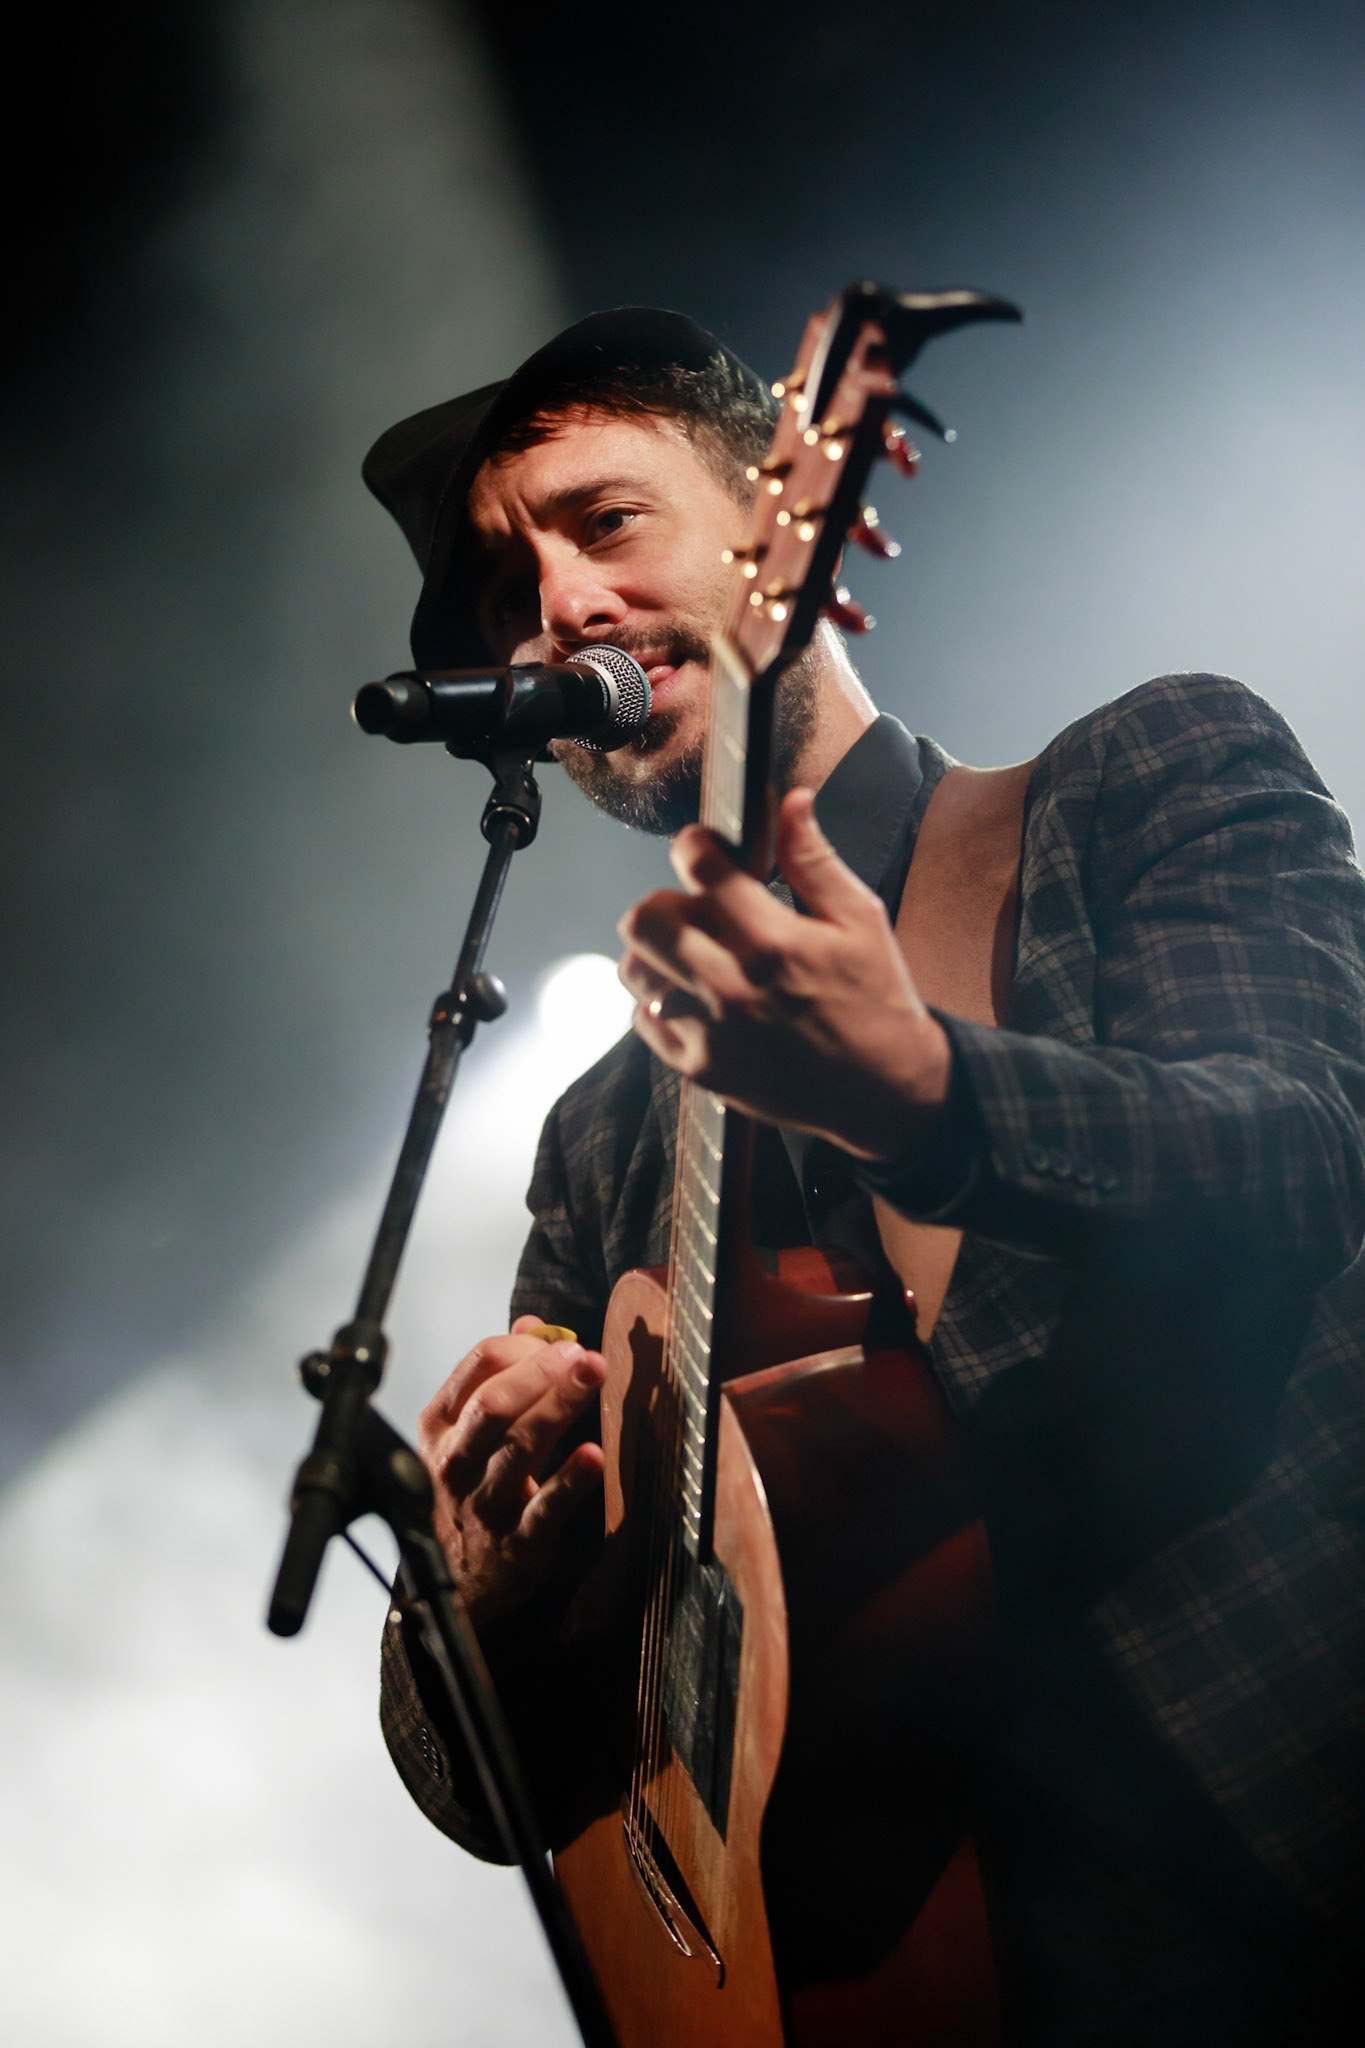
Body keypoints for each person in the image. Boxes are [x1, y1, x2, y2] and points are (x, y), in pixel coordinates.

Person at [362, 309, 1363, 2042]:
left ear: (779, 521)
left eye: (604, 525)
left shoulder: (1134, 784)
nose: (561, 610)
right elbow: (500, 1800)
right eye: (511, 586)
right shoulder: (603, 1136)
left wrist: (926, 1096)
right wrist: (484, 1589)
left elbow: (1299, 1153)